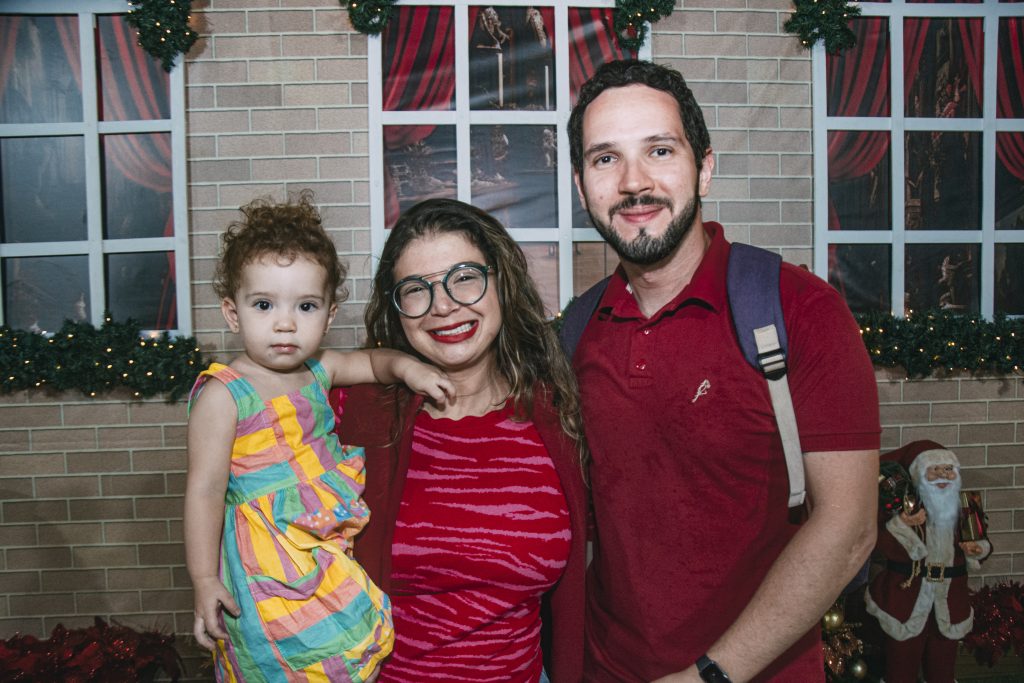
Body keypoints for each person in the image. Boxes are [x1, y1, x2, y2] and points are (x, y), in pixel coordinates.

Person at [565, 59, 881, 682]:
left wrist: (710, 674)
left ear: (704, 167)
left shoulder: (799, 310)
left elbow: (848, 529)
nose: (633, 182)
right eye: (605, 159)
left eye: (659, 150)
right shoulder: (574, 331)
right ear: (582, 186)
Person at [184, 192, 453, 682]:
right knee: (279, 657)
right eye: (264, 304)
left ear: (329, 315)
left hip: (324, 540)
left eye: (305, 305)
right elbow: (204, 490)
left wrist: (411, 368)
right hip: (267, 554)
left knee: (349, 641)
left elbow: (372, 361)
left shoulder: (318, 370)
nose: (285, 323)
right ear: (232, 312)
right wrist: (204, 579)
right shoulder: (224, 395)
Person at [329, 197, 588, 682]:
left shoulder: (559, 417)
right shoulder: (354, 414)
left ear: (501, 282)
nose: (444, 305)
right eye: (415, 289)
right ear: (397, 308)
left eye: (465, 276)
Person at [865, 440, 991, 683]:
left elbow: (981, 541)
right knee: (901, 668)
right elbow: (881, 543)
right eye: (935, 470)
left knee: (942, 668)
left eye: (948, 469)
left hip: (949, 600)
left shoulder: (967, 505)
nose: (943, 475)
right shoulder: (903, 507)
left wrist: (977, 548)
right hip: (906, 599)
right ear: (918, 474)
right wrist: (902, 525)